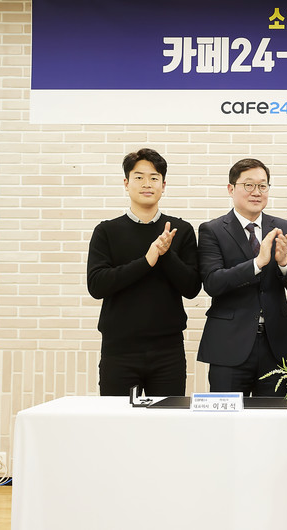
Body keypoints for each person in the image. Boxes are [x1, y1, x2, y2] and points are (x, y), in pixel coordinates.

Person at [87, 148, 201, 396]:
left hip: (168, 351)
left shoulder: (180, 230)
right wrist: (147, 260)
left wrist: (165, 254)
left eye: (154, 178)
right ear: (126, 183)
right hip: (119, 350)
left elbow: (192, 287)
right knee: (118, 417)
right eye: (139, 177)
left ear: (163, 185)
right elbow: (97, 285)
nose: (147, 184)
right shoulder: (106, 231)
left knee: (168, 416)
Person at [197, 158, 287, 396]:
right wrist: (257, 263)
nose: (257, 192)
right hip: (229, 345)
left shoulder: (283, 228)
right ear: (231, 188)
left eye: (262, 186)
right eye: (248, 185)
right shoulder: (212, 230)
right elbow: (213, 282)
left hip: (276, 344)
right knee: (226, 416)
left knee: (277, 415)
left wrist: (284, 263)